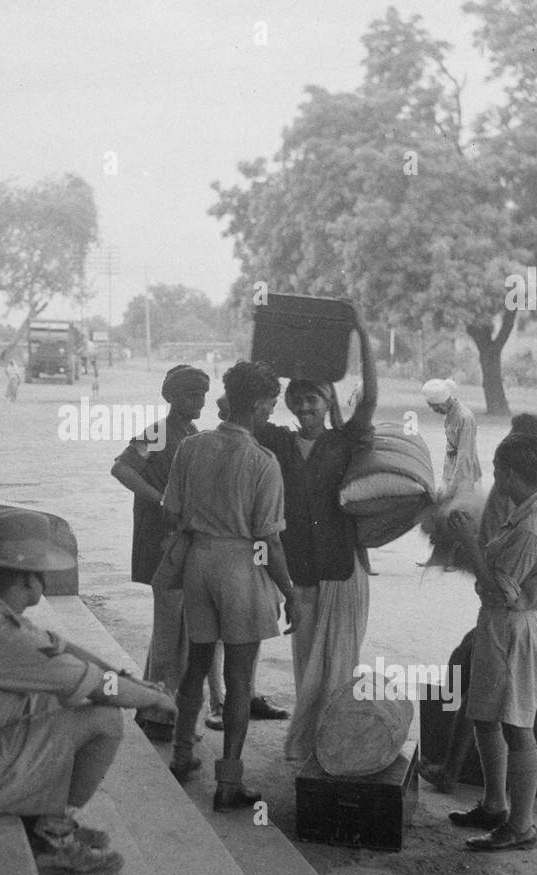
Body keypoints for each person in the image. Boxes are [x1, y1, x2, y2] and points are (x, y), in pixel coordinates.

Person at [0, 510, 176, 875]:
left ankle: (42, 816)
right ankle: (54, 835)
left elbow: (64, 648)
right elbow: (105, 693)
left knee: (61, 696)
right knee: (104, 720)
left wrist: (128, 678)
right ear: (28, 578)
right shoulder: (7, 638)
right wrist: (158, 700)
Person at [163, 360, 295, 810]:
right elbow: (269, 541)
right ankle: (229, 783)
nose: (271, 414)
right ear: (258, 405)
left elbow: (173, 510)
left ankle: (182, 755)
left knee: (197, 662)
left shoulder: (191, 447)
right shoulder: (263, 462)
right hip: (241, 565)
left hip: (199, 560)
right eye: (271, 405)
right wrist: (290, 593)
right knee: (240, 680)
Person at [254, 314, 377, 763]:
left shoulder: (345, 441)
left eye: (314, 399)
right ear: (288, 403)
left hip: (344, 569)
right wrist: (271, 343)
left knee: (340, 664)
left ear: (328, 404)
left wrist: (361, 335)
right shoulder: (276, 441)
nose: (306, 407)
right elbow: (237, 400)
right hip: (300, 570)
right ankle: (309, 743)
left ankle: (336, 742)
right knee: (307, 665)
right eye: (298, 399)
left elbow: (371, 398)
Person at [444, 434, 537, 852]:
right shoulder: (531, 511)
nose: (495, 479)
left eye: (497, 472)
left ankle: (521, 825)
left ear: (512, 473)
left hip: (513, 628)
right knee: (486, 717)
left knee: (517, 727)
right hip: (500, 626)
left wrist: (469, 543)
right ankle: (495, 804)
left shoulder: (532, 527)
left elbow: (496, 588)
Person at [110, 364, 227, 738]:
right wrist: (160, 500)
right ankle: (159, 717)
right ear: (171, 397)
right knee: (167, 631)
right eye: (191, 394)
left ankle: (158, 710)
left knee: (180, 632)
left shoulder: (191, 432)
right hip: (161, 542)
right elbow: (121, 468)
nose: (199, 400)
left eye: (202, 394)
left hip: (181, 542)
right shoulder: (159, 433)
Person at [423, 378, 482, 498]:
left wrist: (453, 487)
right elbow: (450, 450)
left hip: (466, 474)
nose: (434, 411)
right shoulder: (449, 416)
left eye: (435, 407)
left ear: (444, 402)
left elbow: (465, 456)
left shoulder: (465, 418)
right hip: (451, 469)